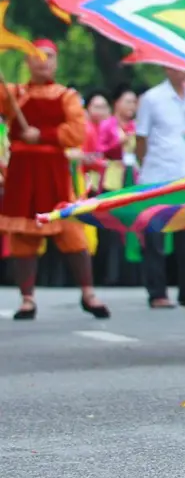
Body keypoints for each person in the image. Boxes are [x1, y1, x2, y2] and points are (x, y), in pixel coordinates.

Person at [1, 41, 108, 320]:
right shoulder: (13, 93)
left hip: (53, 171)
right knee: (23, 235)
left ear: (55, 63)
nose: (42, 62)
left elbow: (76, 133)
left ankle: (88, 292)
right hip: (22, 171)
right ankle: (27, 299)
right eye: (35, 57)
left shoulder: (66, 96)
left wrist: (44, 135)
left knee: (71, 232)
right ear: (27, 62)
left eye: (48, 57)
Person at [135, 67, 185, 309]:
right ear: (166, 68)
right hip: (157, 175)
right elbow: (141, 139)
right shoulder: (151, 98)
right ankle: (157, 292)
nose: (182, 71)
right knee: (155, 237)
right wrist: (147, 166)